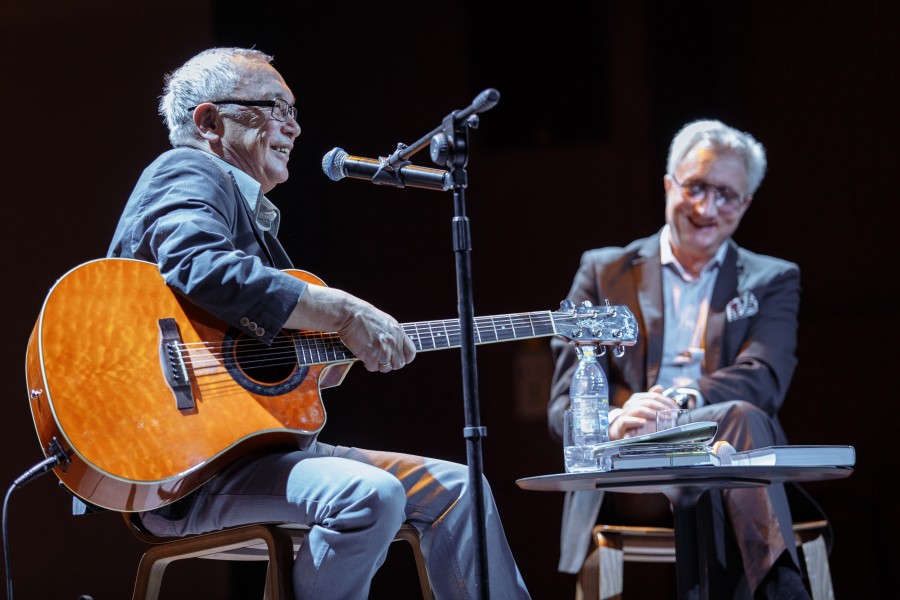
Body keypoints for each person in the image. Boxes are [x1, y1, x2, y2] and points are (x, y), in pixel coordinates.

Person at [106, 47, 531, 600]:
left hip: (256, 453)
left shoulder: (245, 214)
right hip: (188, 467)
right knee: (368, 495)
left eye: (294, 111)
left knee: (461, 489)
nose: (295, 127)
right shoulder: (187, 169)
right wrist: (346, 312)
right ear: (209, 121)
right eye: (275, 108)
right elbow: (201, 267)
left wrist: (324, 362)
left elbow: (250, 347)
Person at [548, 119, 824, 599]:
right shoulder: (604, 272)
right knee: (732, 439)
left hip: (731, 457)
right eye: (695, 187)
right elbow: (562, 407)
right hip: (635, 473)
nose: (706, 208)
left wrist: (679, 404)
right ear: (668, 184)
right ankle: (781, 587)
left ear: (746, 204)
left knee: (734, 428)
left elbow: (763, 378)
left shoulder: (772, 279)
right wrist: (616, 419)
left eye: (726, 195)